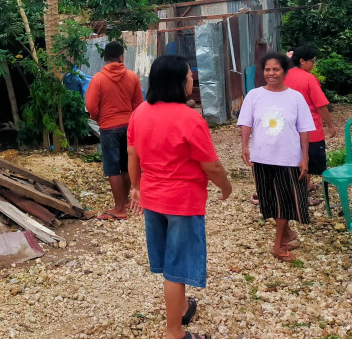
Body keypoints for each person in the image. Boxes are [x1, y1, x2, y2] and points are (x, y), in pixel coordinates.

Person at [127, 55, 231, 339]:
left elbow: (133, 154)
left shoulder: (140, 113)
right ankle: (174, 332)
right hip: (182, 202)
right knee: (177, 268)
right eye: (189, 76)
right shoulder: (190, 119)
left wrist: (136, 187)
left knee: (168, 262)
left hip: (153, 199)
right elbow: (211, 166)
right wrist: (226, 187)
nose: (191, 79)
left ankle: (182, 307)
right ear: (179, 81)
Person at [238, 52, 315, 262]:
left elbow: (304, 130)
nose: (271, 73)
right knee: (269, 200)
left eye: (276, 69)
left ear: (284, 71)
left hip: (288, 157)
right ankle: (287, 233)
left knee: (286, 200)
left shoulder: (295, 97)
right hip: (261, 156)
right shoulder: (254, 95)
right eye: (267, 69)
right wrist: (244, 146)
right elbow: (246, 123)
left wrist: (305, 157)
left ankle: (277, 245)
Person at [85, 42, 143, 220]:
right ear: (121, 57)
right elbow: (138, 104)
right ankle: (125, 201)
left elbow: (90, 106)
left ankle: (119, 209)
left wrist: (98, 118)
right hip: (129, 126)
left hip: (108, 127)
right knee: (126, 164)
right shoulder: (132, 77)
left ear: (105, 58)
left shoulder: (98, 79)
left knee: (112, 168)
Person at [284, 44, 337, 205]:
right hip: (310, 129)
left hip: (288, 128)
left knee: (295, 159)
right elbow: (320, 105)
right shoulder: (309, 78)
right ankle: (302, 196)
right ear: (302, 61)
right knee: (306, 161)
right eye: (312, 61)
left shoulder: (284, 75)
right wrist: (330, 125)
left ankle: (305, 187)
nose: (313, 64)